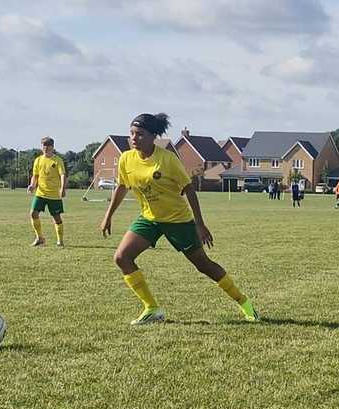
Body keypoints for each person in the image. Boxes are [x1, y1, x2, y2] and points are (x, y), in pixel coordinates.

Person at [99, 113, 259, 325]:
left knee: (204, 265)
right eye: (131, 134)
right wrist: (108, 216)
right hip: (149, 219)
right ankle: (152, 309)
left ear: (153, 136)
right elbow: (121, 187)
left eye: (139, 134)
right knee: (122, 257)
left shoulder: (168, 159)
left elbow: (189, 189)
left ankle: (245, 304)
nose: (134, 138)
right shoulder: (126, 159)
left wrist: (200, 224)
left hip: (178, 221)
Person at [27, 136, 67, 247]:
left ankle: (60, 240)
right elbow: (35, 175)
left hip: (54, 194)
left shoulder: (57, 160)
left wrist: (62, 188)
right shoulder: (38, 160)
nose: (46, 148)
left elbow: (62, 175)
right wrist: (32, 185)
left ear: (52, 147)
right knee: (33, 213)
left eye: (48, 145)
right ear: (42, 147)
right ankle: (40, 238)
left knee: (56, 217)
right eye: (44, 145)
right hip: (40, 193)